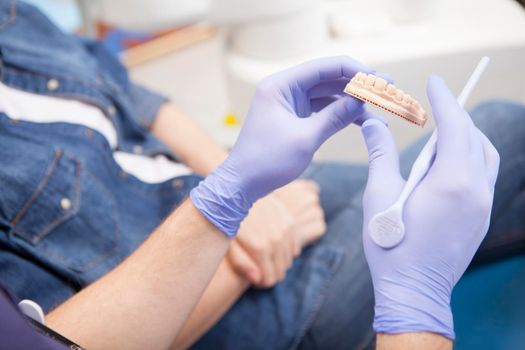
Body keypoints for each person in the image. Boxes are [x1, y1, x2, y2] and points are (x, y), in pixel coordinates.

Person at [0, 1, 513, 349]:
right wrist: (235, 214)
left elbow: (126, 93)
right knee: (500, 126)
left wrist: (234, 177)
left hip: (228, 201)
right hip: (237, 296)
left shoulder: (11, 16)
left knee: (482, 180)